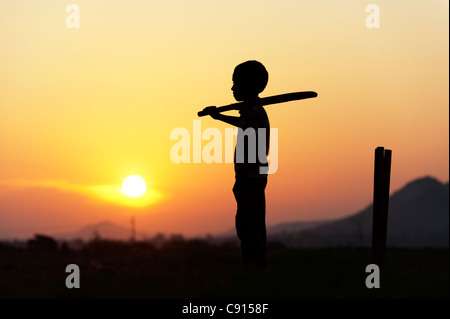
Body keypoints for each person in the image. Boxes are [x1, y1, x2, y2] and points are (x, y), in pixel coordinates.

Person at [203, 60, 270, 271]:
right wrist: (219, 115)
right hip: (249, 179)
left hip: (251, 179)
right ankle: (254, 272)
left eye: (235, 83)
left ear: (248, 85)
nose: (232, 88)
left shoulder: (255, 114)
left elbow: (248, 128)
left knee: (249, 228)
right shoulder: (252, 112)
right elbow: (243, 123)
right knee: (250, 227)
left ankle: (254, 273)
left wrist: (243, 180)